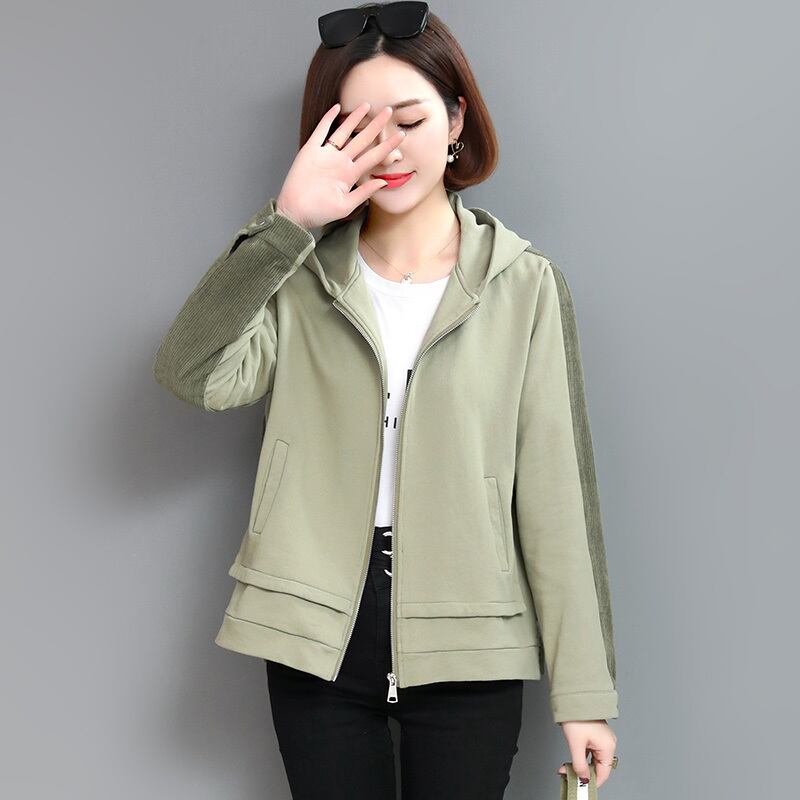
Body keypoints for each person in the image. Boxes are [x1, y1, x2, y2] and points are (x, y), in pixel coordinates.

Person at [153, 3, 620, 797]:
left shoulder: (524, 285)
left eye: (409, 120)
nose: (390, 149)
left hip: (472, 630)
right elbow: (192, 373)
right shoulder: (296, 276)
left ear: (456, 120)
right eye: (361, 128)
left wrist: (583, 695)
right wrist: (289, 223)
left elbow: (556, 497)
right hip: (314, 629)